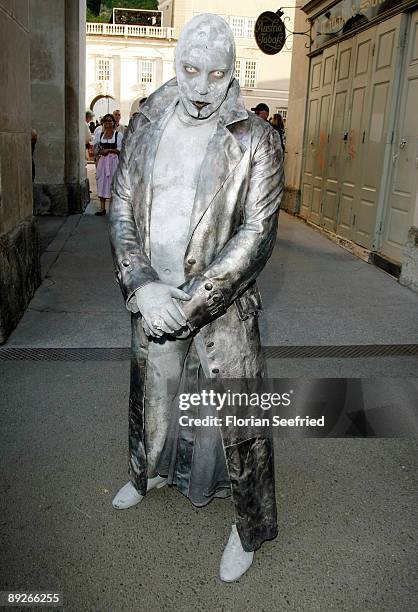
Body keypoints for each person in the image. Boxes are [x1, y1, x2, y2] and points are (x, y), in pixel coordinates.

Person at [109, 14, 283, 582]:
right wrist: (140, 283)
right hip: (153, 296)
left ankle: (249, 527)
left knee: (239, 418)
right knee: (152, 396)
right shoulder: (146, 121)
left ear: (231, 73)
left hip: (221, 306)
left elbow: (256, 236)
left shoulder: (256, 140)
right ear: (176, 63)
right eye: (190, 69)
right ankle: (146, 472)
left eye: (215, 73)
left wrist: (186, 304)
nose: (202, 86)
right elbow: (122, 209)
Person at [93, 113, 123, 216]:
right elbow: (95, 150)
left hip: (113, 161)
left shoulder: (118, 135)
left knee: (113, 183)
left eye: (110, 121)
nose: (108, 123)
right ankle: (102, 208)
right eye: (106, 121)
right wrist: (101, 152)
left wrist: (110, 150)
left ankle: (114, 209)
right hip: (102, 162)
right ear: (103, 123)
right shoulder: (99, 135)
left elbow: (120, 149)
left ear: (114, 122)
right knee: (101, 182)